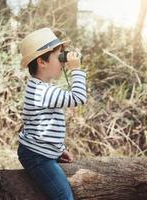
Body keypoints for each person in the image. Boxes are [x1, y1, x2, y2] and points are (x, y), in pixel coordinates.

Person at [17, 27, 87, 200]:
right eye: (59, 57)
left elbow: (42, 125)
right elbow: (78, 97)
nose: (63, 62)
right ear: (42, 62)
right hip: (37, 156)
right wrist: (76, 69)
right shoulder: (43, 92)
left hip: (40, 151)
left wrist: (58, 150)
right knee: (64, 197)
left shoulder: (40, 88)